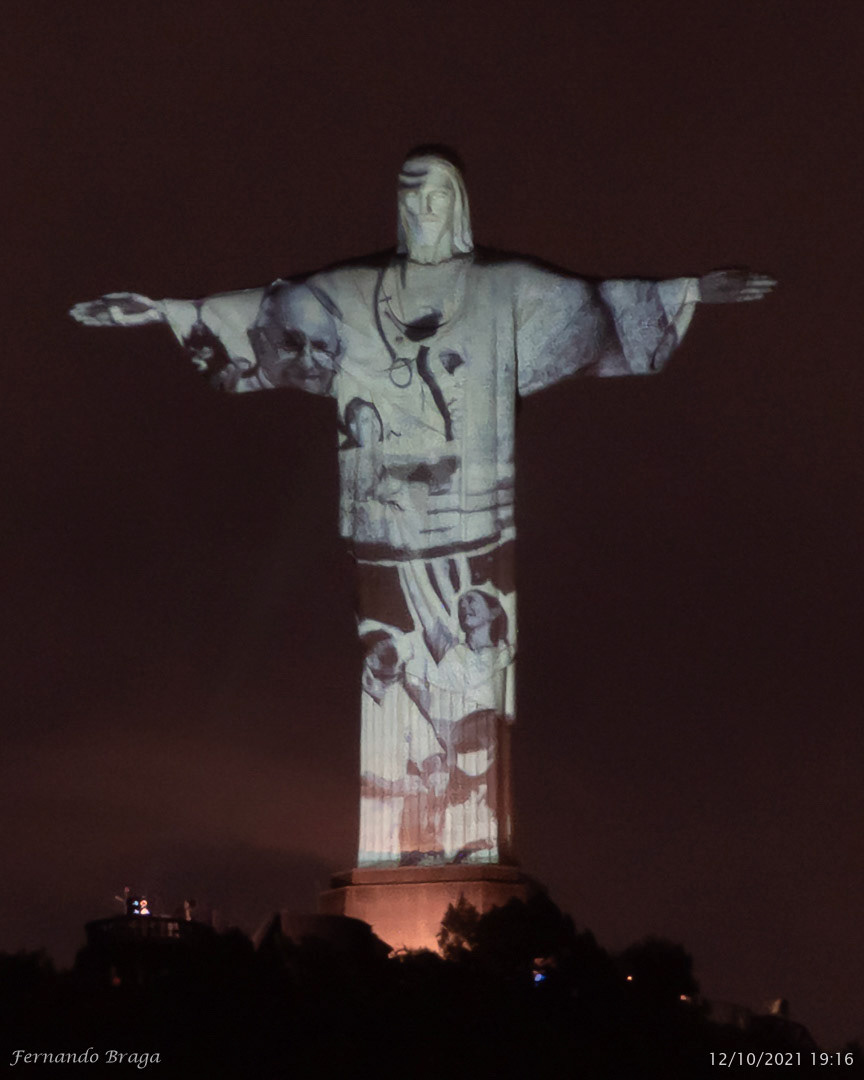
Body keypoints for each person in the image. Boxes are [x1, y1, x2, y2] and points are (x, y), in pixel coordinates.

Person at [70, 147, 775, 868]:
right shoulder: (354, 293)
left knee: (476, 661)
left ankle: (471, 844)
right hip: (387, 528)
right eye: (408, 199)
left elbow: (593, 310)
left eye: (435, 198)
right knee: (391, 668)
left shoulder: (501, 287)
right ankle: (396, 852)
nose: (420, 212)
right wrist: (160, 313)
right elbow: (264, 316)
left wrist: (686, 291)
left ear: (459, 204)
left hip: (476, 524)